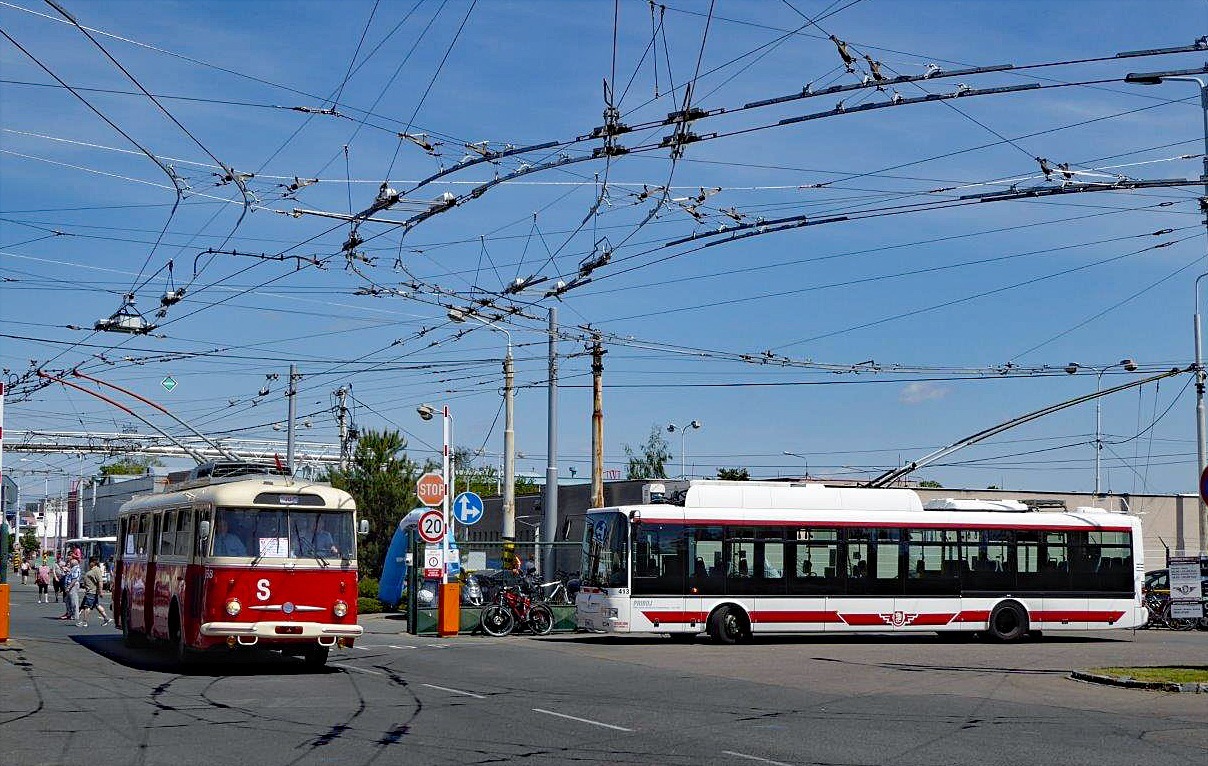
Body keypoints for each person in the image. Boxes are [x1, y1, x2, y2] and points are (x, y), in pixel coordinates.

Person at [77, 556, 111, 628]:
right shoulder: (93, 569)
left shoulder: (96, 570)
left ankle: (84, 622)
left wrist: (101, 592)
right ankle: (106, 618)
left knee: (87, 606)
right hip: (90, 591)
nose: (89, 563)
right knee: (96, 605)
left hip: (92, 592)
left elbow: (100, 581)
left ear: (93, 562)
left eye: (90, 562)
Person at [61, 555, 82, 623]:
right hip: (69, 586)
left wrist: (69, 587)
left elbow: (74, 579)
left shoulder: (76, 568)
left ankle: (75, 615)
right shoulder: (72, 568)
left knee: (73, 600)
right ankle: (70, 613)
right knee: (67, 600)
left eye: (71, 561)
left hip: (73, 586)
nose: (70, 562)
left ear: (74, 563)